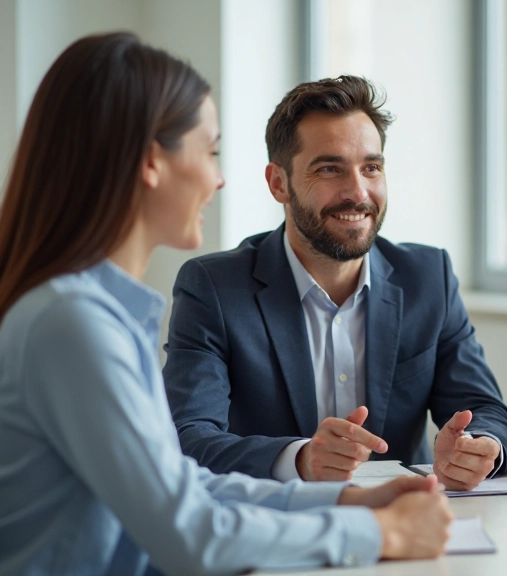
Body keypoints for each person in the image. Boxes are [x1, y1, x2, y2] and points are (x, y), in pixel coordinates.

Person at [0, 33, 453, 575]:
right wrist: (377, 532)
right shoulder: (72, 326)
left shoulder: (95, 315)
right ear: (151, 163)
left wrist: (343, 500)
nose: (217, 179)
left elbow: (183, 484)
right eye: (210, 151)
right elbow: (190, 534)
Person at [162, 75, 507, 491]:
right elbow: (187, 438)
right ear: (279, 183)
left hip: (404, 521)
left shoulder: (427, 277)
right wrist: (300, 459)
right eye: (330, 169)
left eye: (371, 167)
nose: (358, 192)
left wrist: (478, 448)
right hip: (275, 527)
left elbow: (486, 410)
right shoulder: (214, 288)